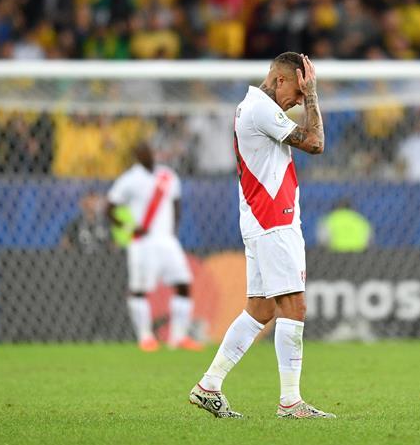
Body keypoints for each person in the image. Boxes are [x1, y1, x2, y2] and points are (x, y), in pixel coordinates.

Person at [189, 52, 335, 419]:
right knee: (293, 306)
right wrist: (315, 92)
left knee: (261, 308)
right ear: (281, 80)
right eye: (298, 94)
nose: (299, 103)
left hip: (261, 219)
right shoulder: (260, 109)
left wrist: (306, 96)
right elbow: (316, 143)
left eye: (304, 98)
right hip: (274, 219)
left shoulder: (252, 107)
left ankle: (209, 385)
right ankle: (290, 402)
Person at [106, 141, 200, 352]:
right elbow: (110, 208)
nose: (148, 154)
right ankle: (145, 337)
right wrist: (130, 227)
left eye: (150, 150)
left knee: (183, 284)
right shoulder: (129, 179)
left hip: (167, 241)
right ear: (137, 155)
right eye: (143, 151)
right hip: (142, 243)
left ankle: (178, 337)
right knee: (139, 290)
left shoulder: (168, 176)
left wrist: (173, 231)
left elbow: (176, 204)